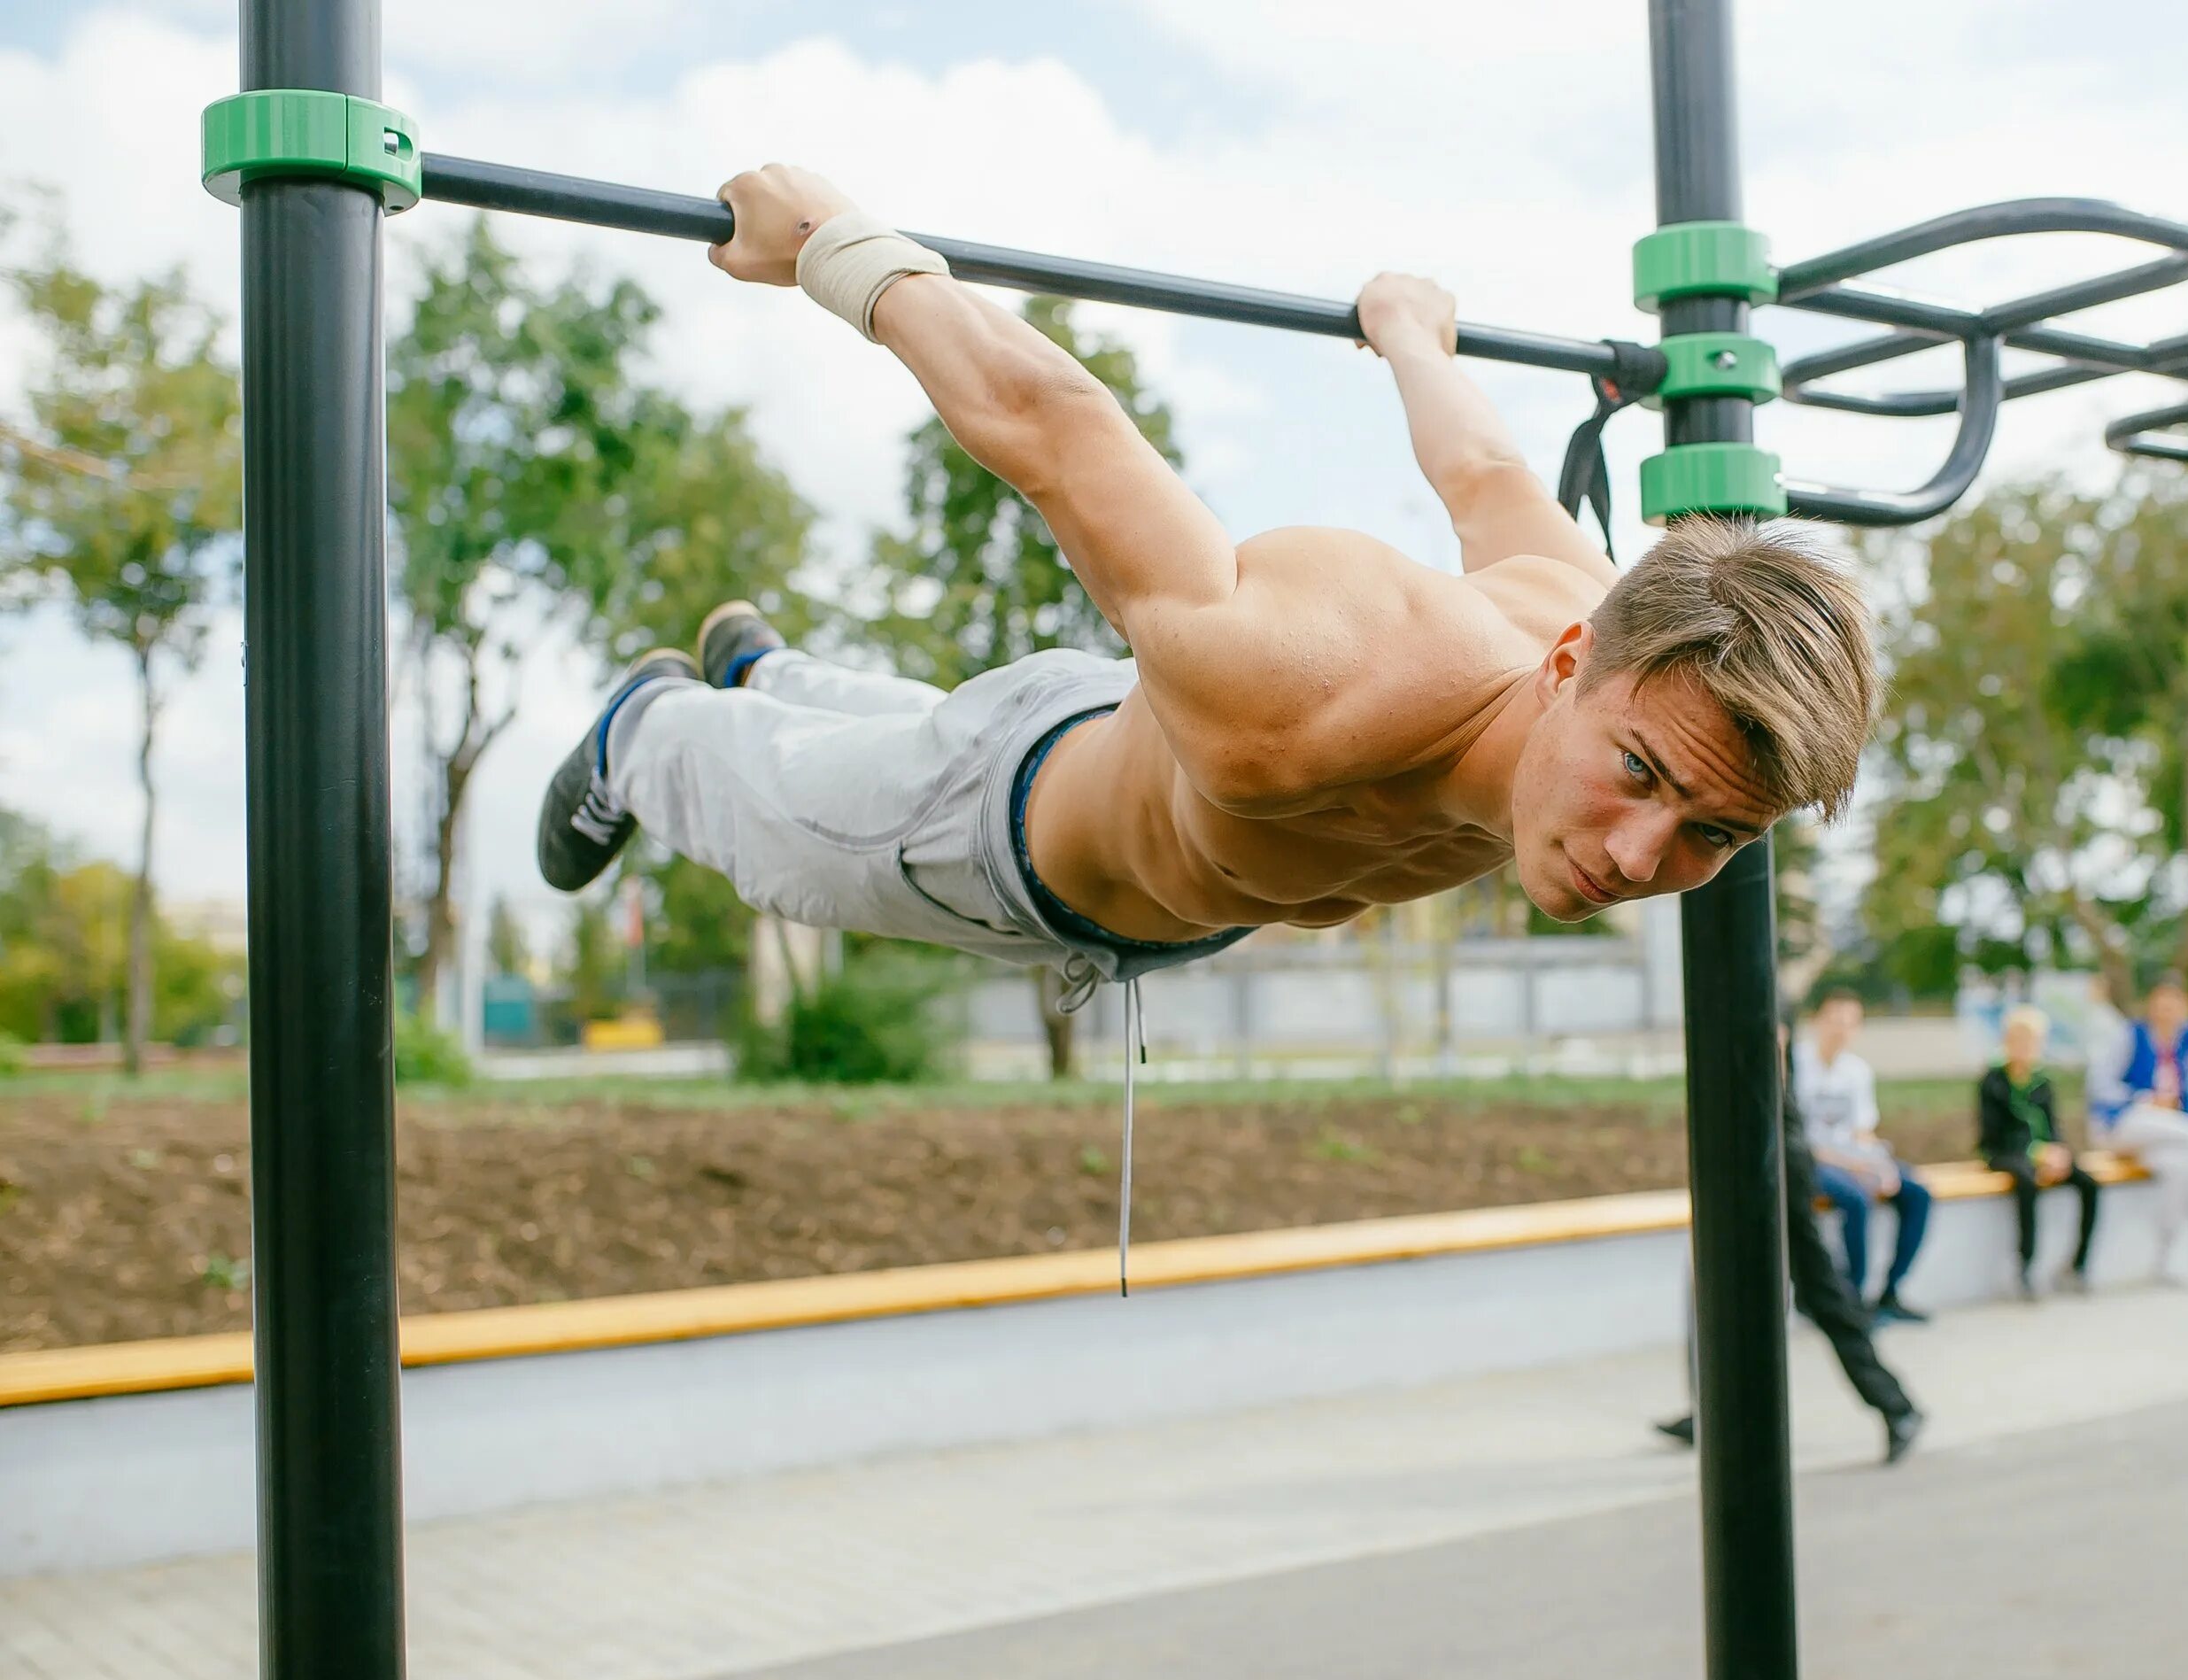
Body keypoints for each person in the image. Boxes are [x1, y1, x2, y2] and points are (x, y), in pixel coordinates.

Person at [536, 167, 1878, 1272]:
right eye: (1638, 775)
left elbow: (1483, 470)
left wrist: (1409, 334)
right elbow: (1054, 428)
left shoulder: (1604, 616)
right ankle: (646, 730)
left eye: (1713, 832)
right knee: (784, 833)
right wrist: (836, 242)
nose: (1642, 858)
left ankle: (767, 676)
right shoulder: (1313, 677)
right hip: (996, 838)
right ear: (1569, 667)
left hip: (1120, 767)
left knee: (875, 743)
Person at [1657, 1022, 1924, 1466]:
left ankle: (1898, 1407)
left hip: (1779, 1169)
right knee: (1712, 1295)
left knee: (1823, 1295)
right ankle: (1709, 1411)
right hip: (1744, 1171)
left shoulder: (1757, 1013)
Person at [1791, 990, 1933, 1324]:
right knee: (1855, 1199)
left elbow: (1862, 1131)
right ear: (1817, 1022)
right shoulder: (1796, 1067)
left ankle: (1890, 1292)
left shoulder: (1856, 1071)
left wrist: (1878, 1164)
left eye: (1849, 1023)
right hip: (1811, 1161)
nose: (1840, 1029)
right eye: (1834, 1020)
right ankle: (1849, 1298)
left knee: (1917, 1193)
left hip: (1850, 1157)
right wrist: (1854, 1165)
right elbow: (1797, 1139)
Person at [2091, 972, 2188, 1284]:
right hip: (2124, 1124)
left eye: (2174, 1002)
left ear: (2186, 1006)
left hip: (2166, 1130)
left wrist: (2173, 1105)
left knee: (2179, 1168)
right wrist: (2144, 1099)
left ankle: (2169, 1259)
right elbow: (2100, 1086)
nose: (2167, 1009)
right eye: (2161, 1001)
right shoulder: (2130, 1034)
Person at [1979, 1005, 2103, 1298]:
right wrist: (2036, 1153)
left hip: (2044, 1152)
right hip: (2005, 1153)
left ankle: (2079, 1264)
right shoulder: (1993, 1081)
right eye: (2017, 1039)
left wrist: (2059, 1153)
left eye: (2030, 1041)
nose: (2024, 1047)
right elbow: (1993, 1134)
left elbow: (2053, 1126)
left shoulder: (2042, 1082)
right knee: (2025, 1180)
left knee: (2089, 1182)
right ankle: (2025, 1266)